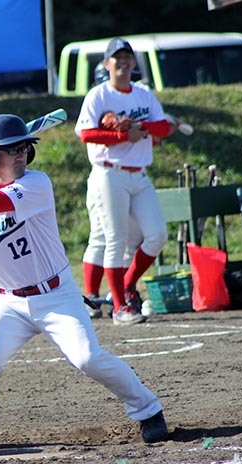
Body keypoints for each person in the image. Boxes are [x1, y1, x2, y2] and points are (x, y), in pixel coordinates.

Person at [0, 113, 169, 452]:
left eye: (24, 149)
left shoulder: (36, 183)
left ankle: (149, 411)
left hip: (56, 295)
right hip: (7, 303)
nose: (22, 155)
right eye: (12, 150)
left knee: (87, 358)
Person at [76, 38, 171, 325]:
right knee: (112, 240)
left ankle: (128, 285)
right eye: (118, 58)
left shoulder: (143, 94)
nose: (124, 62)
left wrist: (138, 127)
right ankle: (119, 307)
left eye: (128, 57)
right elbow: (86, 134)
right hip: (109, 173)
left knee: (157, 235)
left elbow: (163, 127)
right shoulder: (98, 95)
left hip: (139, 174)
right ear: (107, 64)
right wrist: (121, 135)